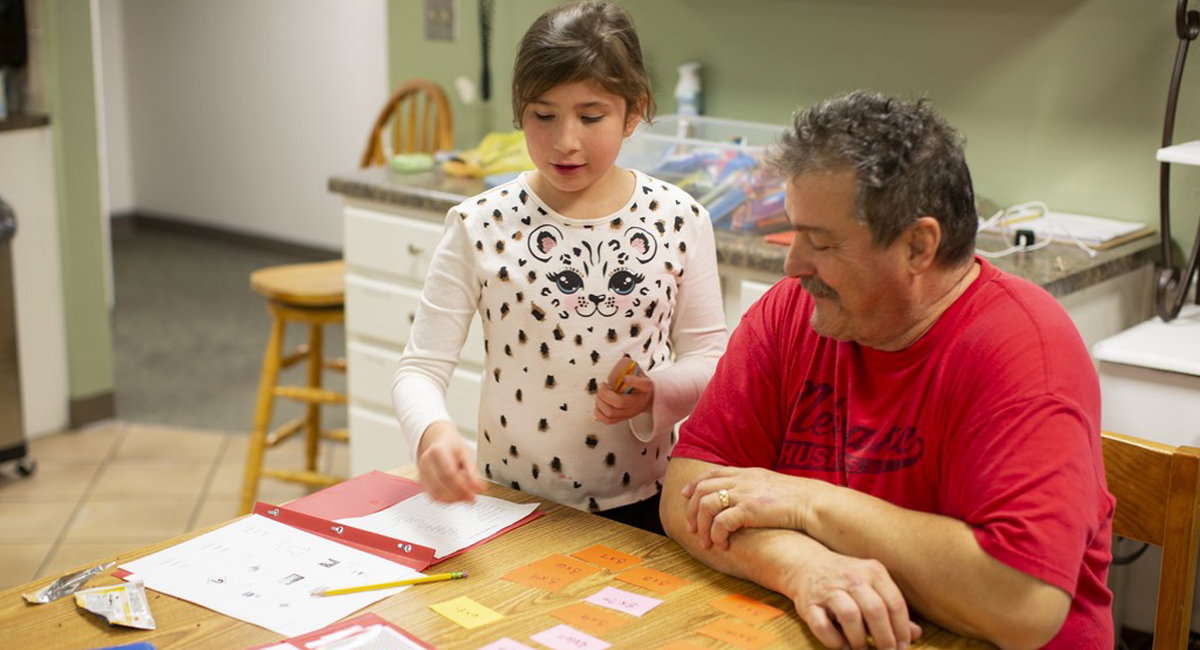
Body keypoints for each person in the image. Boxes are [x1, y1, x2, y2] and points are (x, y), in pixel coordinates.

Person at [660, 91, 1113, 649]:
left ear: (918, 246)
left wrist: (806, 504)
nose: (793, 263)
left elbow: (1023, 604)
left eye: (821, 243)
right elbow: (686, 490)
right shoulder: (793, 312)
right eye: (794, 231)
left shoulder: (1024, 348)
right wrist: (801, 566)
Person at [393, 1, 726, 535]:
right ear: (519, 109)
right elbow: (420, 369)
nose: (564, 141)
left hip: (644, 505)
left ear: (634, 110)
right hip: (507, 503)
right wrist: (432, 433)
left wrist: (658, 390)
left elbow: (710, 357)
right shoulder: (479, 223)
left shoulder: (680, 218)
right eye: (542, 115)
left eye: (591, 116)